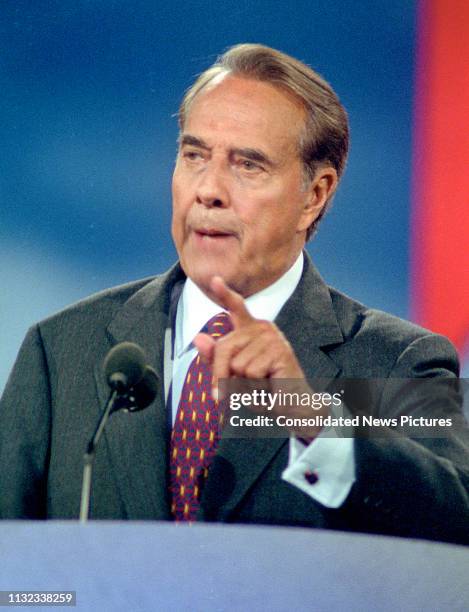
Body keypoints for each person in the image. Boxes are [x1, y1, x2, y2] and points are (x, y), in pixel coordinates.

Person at [1, 44, 468, 544]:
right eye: (194, 155)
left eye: (248, 165)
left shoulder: (392, 360)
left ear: (315, 195)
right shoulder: (64, 350)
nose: (209, 190)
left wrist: (311, 418)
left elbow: (456, 520)